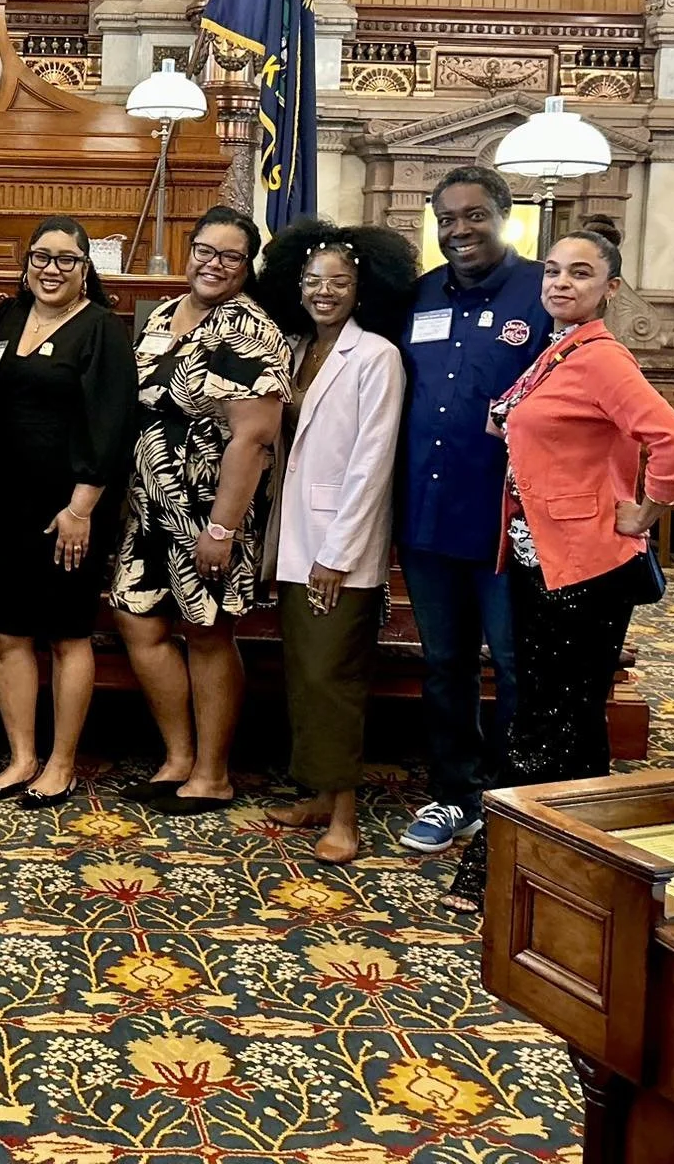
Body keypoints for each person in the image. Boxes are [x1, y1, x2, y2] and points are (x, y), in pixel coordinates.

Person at [444, 230, 674, 911]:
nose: (561, 282)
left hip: (584, 565)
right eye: (553, 271)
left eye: (581, 274)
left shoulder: (602, 360)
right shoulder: (561, 353)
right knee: (576, 719)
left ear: (610, 288)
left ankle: (496, 868)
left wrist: (646, 512)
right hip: (543, 558)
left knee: (541, 718)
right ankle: (583, 857)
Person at [395, 164, 552, 855]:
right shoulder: (420, 294)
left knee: (516, 663)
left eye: (474, 216)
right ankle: (452, 794)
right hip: (428, 515)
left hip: (508, 523)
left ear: (504, 217)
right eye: (447, 219)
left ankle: (514, 799)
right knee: (445, 663)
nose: (459, 230)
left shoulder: (543, 292)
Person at [113, 206, 290, 816]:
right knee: (139, 622)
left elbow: (253, 438)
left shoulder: (250, 329)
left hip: (213, 511)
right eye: (205, 250)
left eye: (230, 256)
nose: (214, 264)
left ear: (247, 266)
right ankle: (179, 757)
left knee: (209, 633)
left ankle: (213, 774)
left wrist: (221, 528)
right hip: (152, 508)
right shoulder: (165, 315)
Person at [254, 219, 415, 863]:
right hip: (295, 536)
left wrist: (337, 554)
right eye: (314, 281)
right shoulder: (295, 348)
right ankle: (318, 793)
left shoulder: (377, 355)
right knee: (305, 674)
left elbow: (372, 463)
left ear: (361, 288)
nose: (325, 292)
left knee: (333, 677)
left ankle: (344, 817)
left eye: (339, 283)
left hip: (337, 547)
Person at [0, 217, 137, 808]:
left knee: (66, 634)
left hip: (70, 510)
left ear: (86, 267)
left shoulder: (102, 331)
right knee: (8, 632)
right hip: (10, 503)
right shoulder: (10, 317)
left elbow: (113, 424)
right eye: (42, 255)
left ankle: (61, 764)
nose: (52, 268)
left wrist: (82, 507)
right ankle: (21, 758)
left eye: (67, 259)